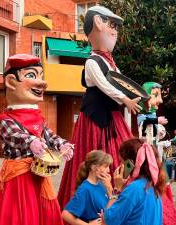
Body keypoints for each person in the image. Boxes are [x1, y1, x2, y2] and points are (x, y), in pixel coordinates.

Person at [58, 5, 142, 208]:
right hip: (95, 118)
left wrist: (135, 96)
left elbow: (122, 82)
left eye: (116, 27)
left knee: (125, 153)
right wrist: (125, 99)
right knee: (95, 153)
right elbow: (105, 86)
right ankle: (92, 203)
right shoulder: (92, 61)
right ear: (97, 23)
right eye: (111, 25)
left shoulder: (111, 62)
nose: (115, 31)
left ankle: (123, 197)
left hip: (112, 116)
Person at [0, 54, 74, 225]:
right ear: (11, 81)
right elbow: (14, 136)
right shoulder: (6, 119)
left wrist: (63, 144)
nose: (42, 83)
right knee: (20, 213)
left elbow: (49, 135)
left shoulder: (37, 118)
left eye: (41, 76)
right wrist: (30, 141)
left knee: (41, 210)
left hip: (39, 173)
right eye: (32, 76)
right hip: (18, 177)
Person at [101, 138, 166, 225]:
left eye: (121, 161)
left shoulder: (134, 189)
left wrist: (116, 190)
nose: (120, 166)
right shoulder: (152, 183)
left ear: (130, 164)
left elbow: (107, 220)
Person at [62, 150, 113, 225]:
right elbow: (65, 215)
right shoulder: (85, 189)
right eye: (105, 166)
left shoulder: (102, 184)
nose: (108, 170)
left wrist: (109, 188)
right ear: (94, 167)